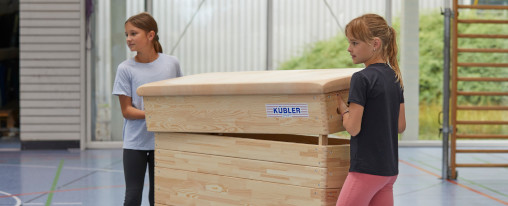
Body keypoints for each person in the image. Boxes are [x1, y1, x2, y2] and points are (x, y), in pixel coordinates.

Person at [335, 13, 406, 206]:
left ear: (375, 44)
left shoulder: (361, 78)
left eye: (355, 43)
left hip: (366, 170)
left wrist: (344, 110)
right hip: (389, 172)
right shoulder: (394, 77)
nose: (349, 49)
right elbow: (400, 126)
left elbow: (353, 128)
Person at [112, 12, 182, 206]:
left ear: (150, 35)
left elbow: (179, 99)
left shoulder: (171, 63)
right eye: (126, 34)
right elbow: (127, 111)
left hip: (164, 141)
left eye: (133, 34)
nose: (128, 39)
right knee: (133, 197)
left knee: (157, 198)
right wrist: (158, 115)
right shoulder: (125, 69)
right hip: (135, 143)